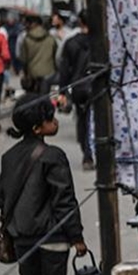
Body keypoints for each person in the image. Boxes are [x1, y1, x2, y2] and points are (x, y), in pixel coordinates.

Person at [0, 93, 87, 275]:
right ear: (38, 128)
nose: (54, 121)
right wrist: (77, 238)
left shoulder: (9, 157)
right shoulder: (53, 156)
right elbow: (65, 201)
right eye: (50, 117)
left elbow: (2, 197)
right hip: (54, 238)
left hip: (23, 238)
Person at [56, 10, 93, 169]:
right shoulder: (101, 41)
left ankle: (87, 155)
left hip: (78, 87)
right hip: (97, 86)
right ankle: (94, 153)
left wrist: (62, 91)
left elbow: (64, 69)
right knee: (97, 121)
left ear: (80, 22)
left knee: (83, 119)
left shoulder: (70, 42)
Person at [20, 14, 58, 93]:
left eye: (26, 23)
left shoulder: (26, 39)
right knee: (50, 98)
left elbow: (24, 60)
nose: (25, 26)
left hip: (33, 76)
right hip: (50, 73)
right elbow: (56, 56)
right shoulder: (50, 38)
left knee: (35, 99)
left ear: (33, 24)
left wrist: (26, 74)